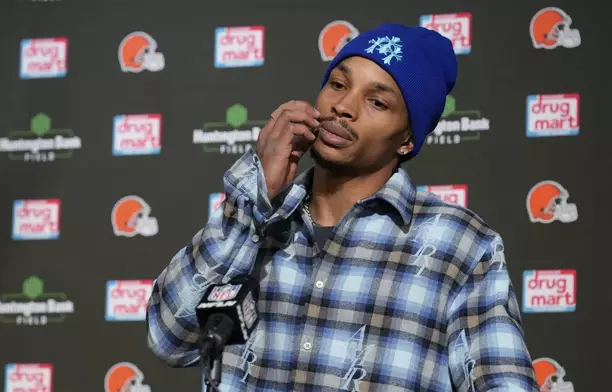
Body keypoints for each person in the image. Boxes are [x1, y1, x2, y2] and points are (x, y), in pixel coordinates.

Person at [146, 23, 538, 392]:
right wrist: (252, 197)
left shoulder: (461, 245)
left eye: (377, 102)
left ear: (407, 139)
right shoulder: (255, 222)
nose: (344, 107)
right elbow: (168, 340)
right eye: (338, 84)